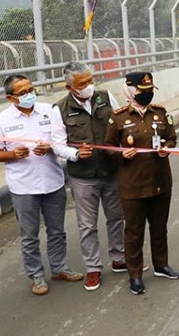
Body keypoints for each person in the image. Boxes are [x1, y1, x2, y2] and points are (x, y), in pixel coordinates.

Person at [0, 75, 83, 295]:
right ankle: (36, 276)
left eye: (31, 89)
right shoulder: (0, 121)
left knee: (57, 231)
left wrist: (49, 148)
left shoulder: (49, 111)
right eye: (23, 92)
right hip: (24, 188)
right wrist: (12, 154)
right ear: (10, 98)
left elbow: (62, 142)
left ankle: (59, 268)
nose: (29, 94)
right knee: (29, 236)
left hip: (53, 182)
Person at [50, 62, 133, 291]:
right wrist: (76, 154)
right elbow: (57, 146)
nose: (88, 86)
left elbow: (121, 125)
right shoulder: (60, 109)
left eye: (90, 80)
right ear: (70, 87)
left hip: (111, 171)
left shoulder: (105, 98)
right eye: (82, 83)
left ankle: (119, 258)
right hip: (83, 177)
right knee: (87, 225)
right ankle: (93, 269)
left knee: (116, 217)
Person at [105, 72, 179, 295]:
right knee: (134, 231)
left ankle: (161, 265)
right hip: (133, 184)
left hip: (160, 181)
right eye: (141, 91)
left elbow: (172, 137)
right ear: (129, 90)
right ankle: (135, 274)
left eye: (149, 91)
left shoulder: (160, 113)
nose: (146, 95)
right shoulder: (117, 118)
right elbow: (108, 148)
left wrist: (168, 146)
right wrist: (121, 154)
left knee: (159, 227)